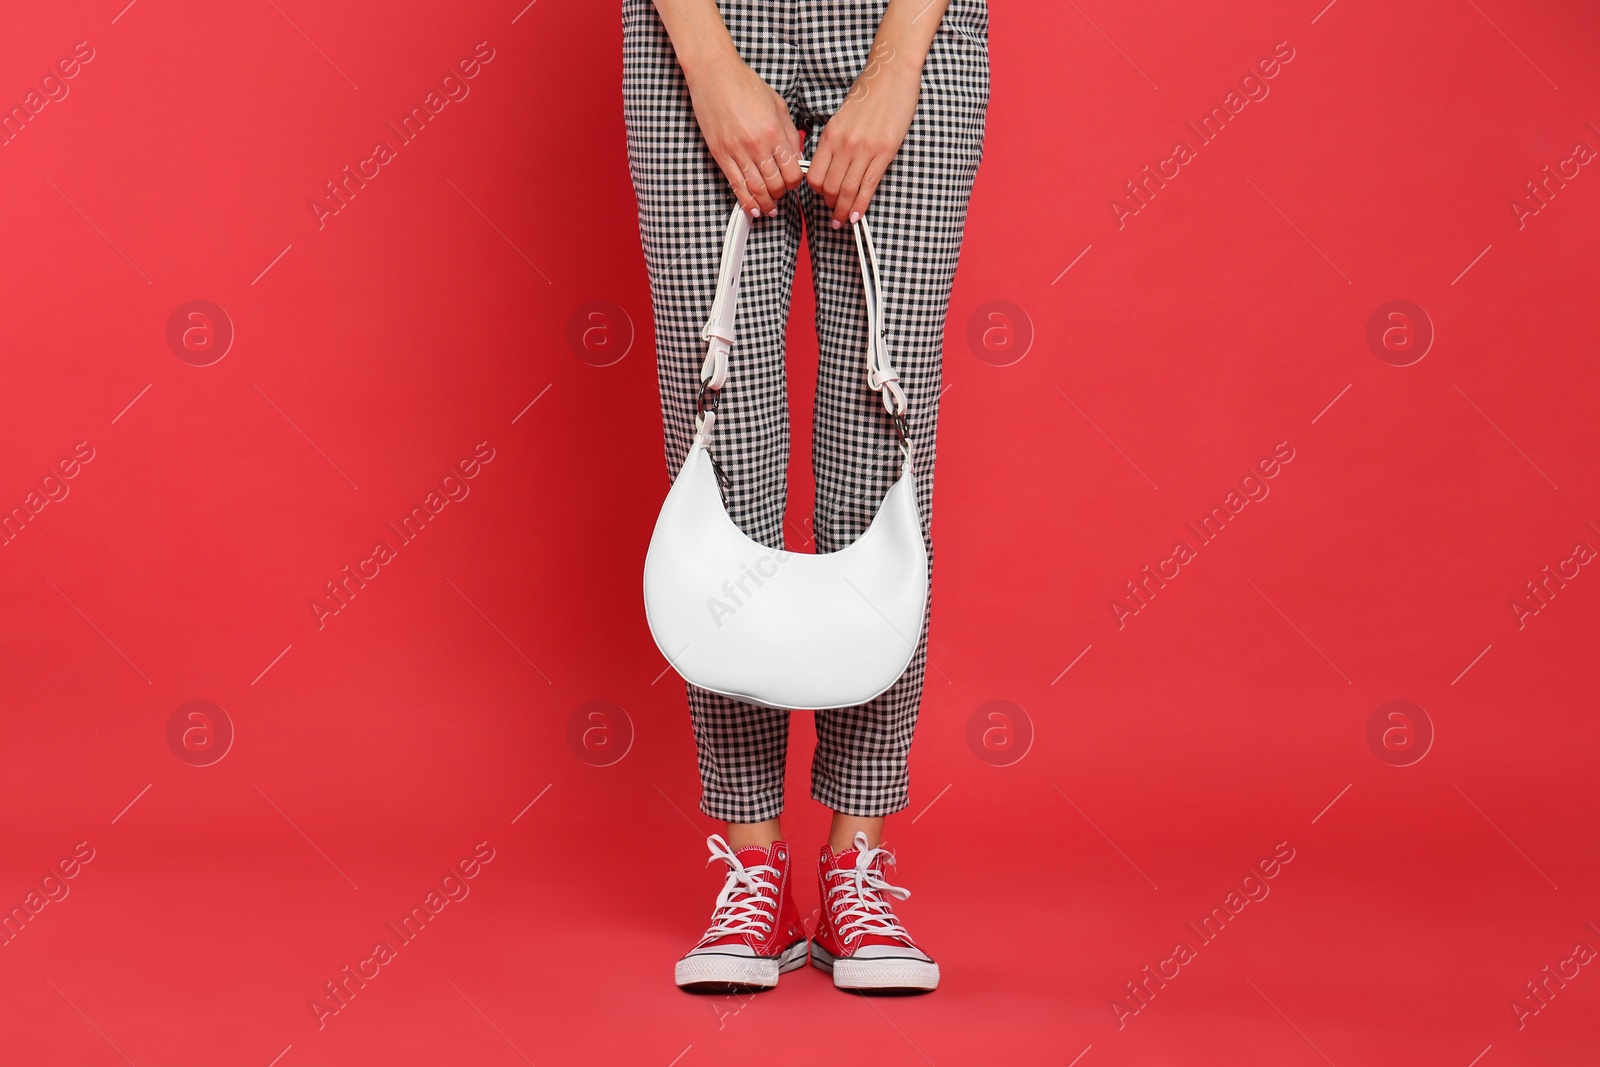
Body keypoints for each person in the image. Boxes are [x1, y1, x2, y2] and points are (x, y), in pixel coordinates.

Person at [622, 0, 989, 993]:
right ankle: (753, 869)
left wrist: (897, 65)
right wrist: (706, 64)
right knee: (721, 469)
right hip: (701, 27)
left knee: (884, 468)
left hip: (904, 30)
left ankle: (854, 866)